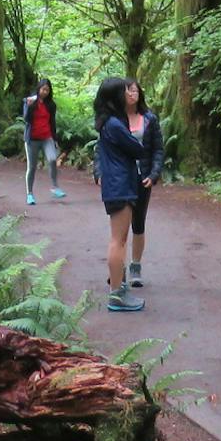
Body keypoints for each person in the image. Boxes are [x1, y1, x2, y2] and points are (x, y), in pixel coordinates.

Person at [93, 75, 150, 312]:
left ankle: (119, 289)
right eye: (124, 91)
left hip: (118, 184)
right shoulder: (115, 125)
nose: (129, 94)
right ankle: (116, 294)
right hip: (119, 185)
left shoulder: (109, 122)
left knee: (121, 239)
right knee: (118, 240)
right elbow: (138, 149)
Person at [120, 81, 165, 288]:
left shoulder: (149, 119)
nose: (132, 93)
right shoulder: (116, 119)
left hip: (142, 178)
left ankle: (135, 266)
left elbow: (158, 149)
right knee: (120, 226)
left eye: (135, 90)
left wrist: (154, 174)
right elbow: (103, 147)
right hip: (121, 178)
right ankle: (118, 268)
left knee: (138, 223)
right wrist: (99, 172)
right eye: (129, 90)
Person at [21, 79, 65, 206]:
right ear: (38, 89)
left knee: (52, 159)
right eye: (43, 89)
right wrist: (29, 106)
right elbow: (26, 119)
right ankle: (30, 194)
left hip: (47, 137)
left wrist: (55, 139)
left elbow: (52, 122)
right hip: (32, 139)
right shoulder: (30, 101)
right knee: (32, 167)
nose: (45, 92)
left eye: (47, 90)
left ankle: (55, 187)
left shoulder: (51, 105)